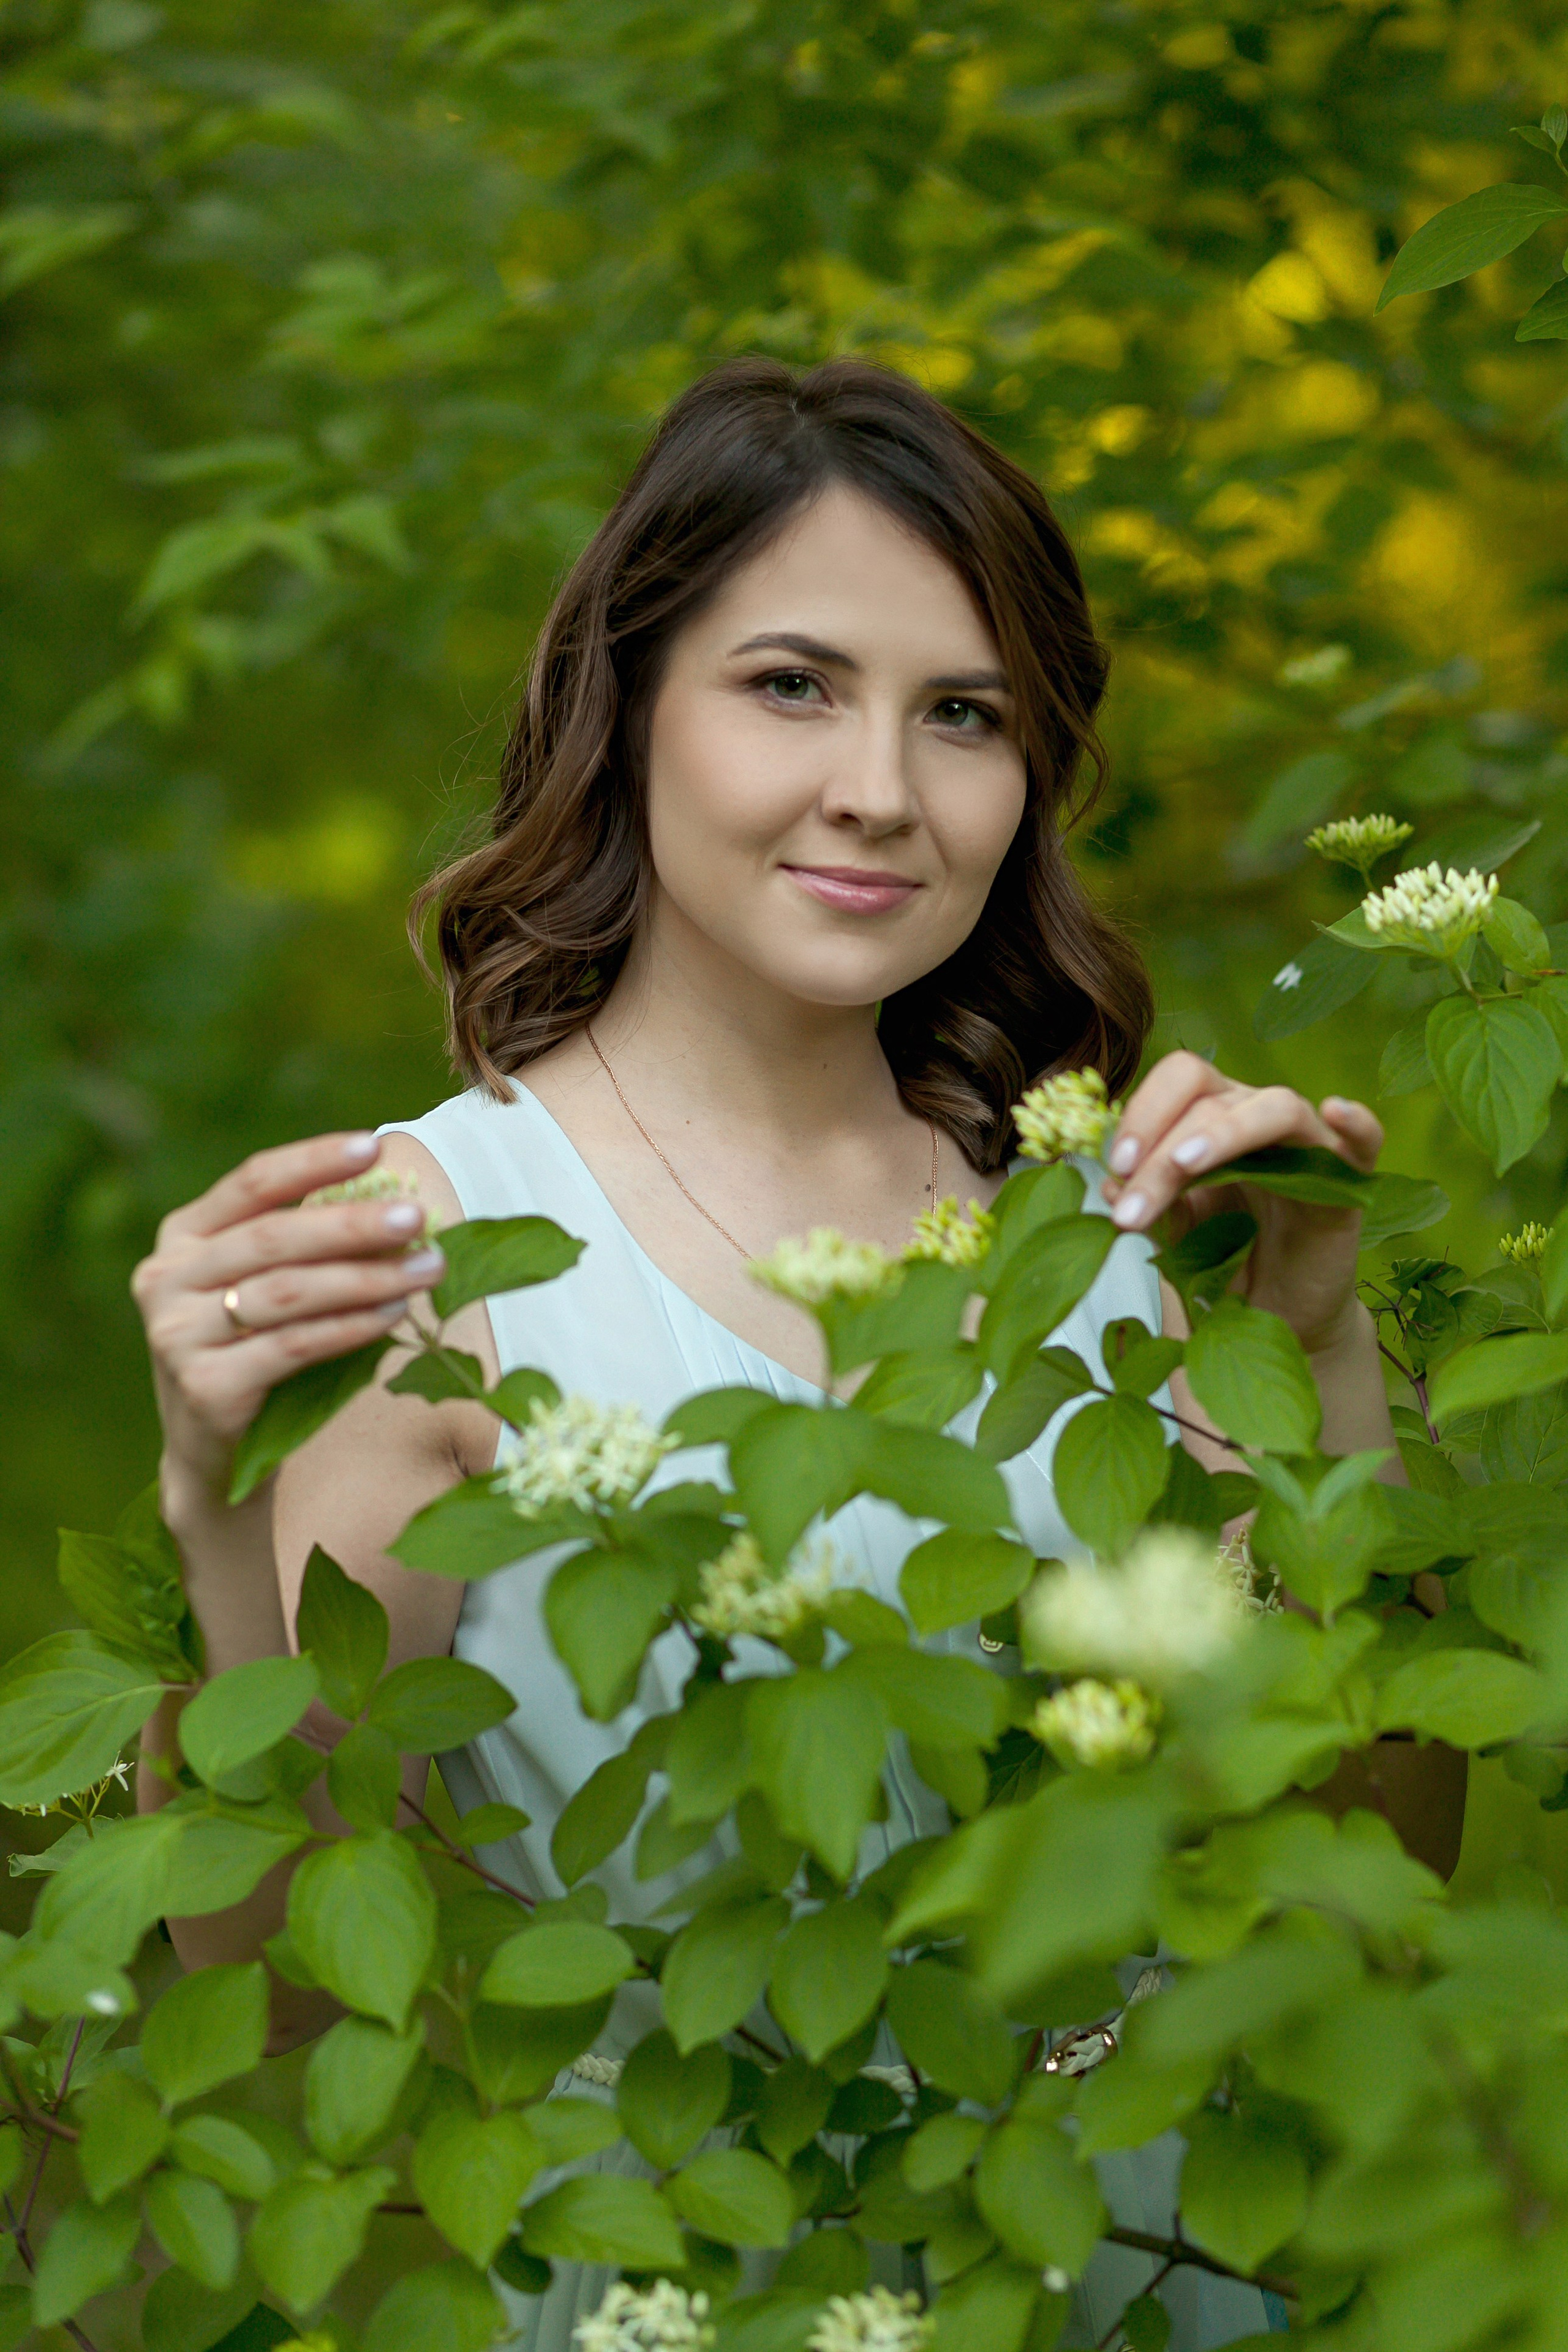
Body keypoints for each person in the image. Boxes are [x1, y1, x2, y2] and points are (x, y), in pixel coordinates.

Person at [132, 358, 1461, 2350]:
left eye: (966, 717)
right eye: (792, 685)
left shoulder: (1104, 1233)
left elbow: (1382, 1898)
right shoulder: (440, 1258)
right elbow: (268, 1985)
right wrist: (204, 1507)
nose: (881, 791)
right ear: (630, 699)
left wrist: (1318, 1357)